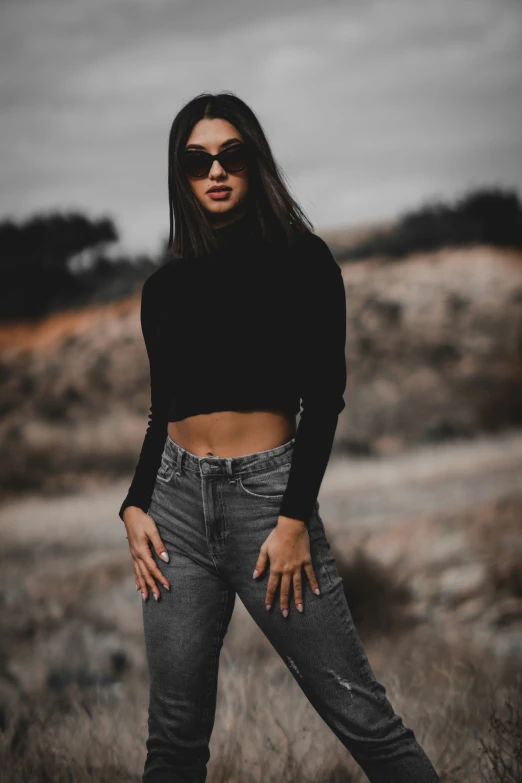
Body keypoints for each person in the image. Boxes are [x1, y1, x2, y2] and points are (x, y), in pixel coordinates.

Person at [119, 91, 440, 783]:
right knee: (173, 742)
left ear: (253, 161)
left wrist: (293, 518)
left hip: (268, 505)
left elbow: (324, 401)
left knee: (364, 718)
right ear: (181, 174)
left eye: (231, 154)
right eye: (198, 159)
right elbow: (160, 412)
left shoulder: (304, 261)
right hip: (172, 508)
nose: (216, 171)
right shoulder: (163, 288)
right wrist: (134, 503)